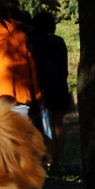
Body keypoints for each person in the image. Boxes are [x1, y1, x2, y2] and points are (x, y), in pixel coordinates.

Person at [30, 10, 70, 167]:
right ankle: (59, 158)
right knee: (58, 123)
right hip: (59, 84)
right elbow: (64, 66)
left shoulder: (34, 41)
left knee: (46, 122)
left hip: (42, 86)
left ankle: (49, 158)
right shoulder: (59, 41)